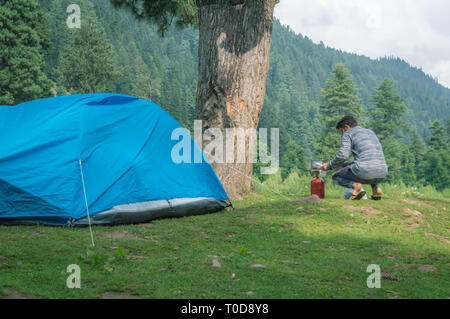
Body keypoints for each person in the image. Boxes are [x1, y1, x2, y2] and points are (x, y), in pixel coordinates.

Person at [322, 115, 388, 200]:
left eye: (341, 131)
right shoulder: (370, 132)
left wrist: (329, 166)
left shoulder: (348, 134)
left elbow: (343, 155)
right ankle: (376, 189)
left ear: (346, 127)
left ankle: (355, 186)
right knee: (364, 164)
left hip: (365, 170)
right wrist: (340, 165)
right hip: (382, 171)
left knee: (336, 177)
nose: (342, 134)